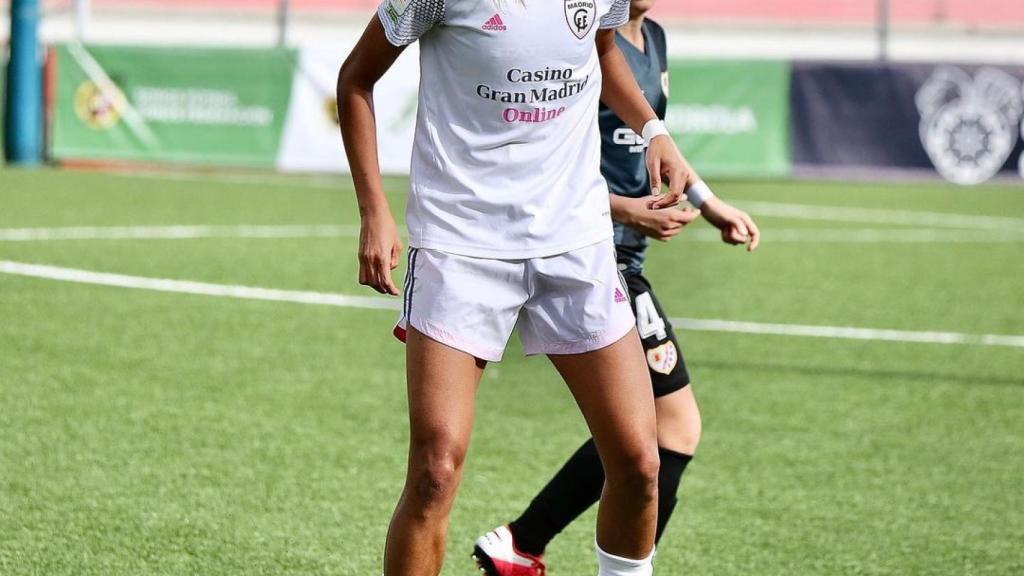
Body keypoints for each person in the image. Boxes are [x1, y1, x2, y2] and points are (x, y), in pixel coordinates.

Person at [337, 0, 756, 573]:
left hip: (576, 244)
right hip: (461, 245)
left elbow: (603, 51)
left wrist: (654, 130)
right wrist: (374, 212)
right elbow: (355, 79)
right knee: (435, 470)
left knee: (640, 462)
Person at [471, 1, 760, 574]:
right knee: (669, 428)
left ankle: (522, 544)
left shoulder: (653, 38)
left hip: (625, 256)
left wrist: (709, 204)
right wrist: (626, 210)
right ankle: (529, 543)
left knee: (653, 432)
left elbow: (658, 143)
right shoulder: (582, 40)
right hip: (591, 255)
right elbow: (542, 164)